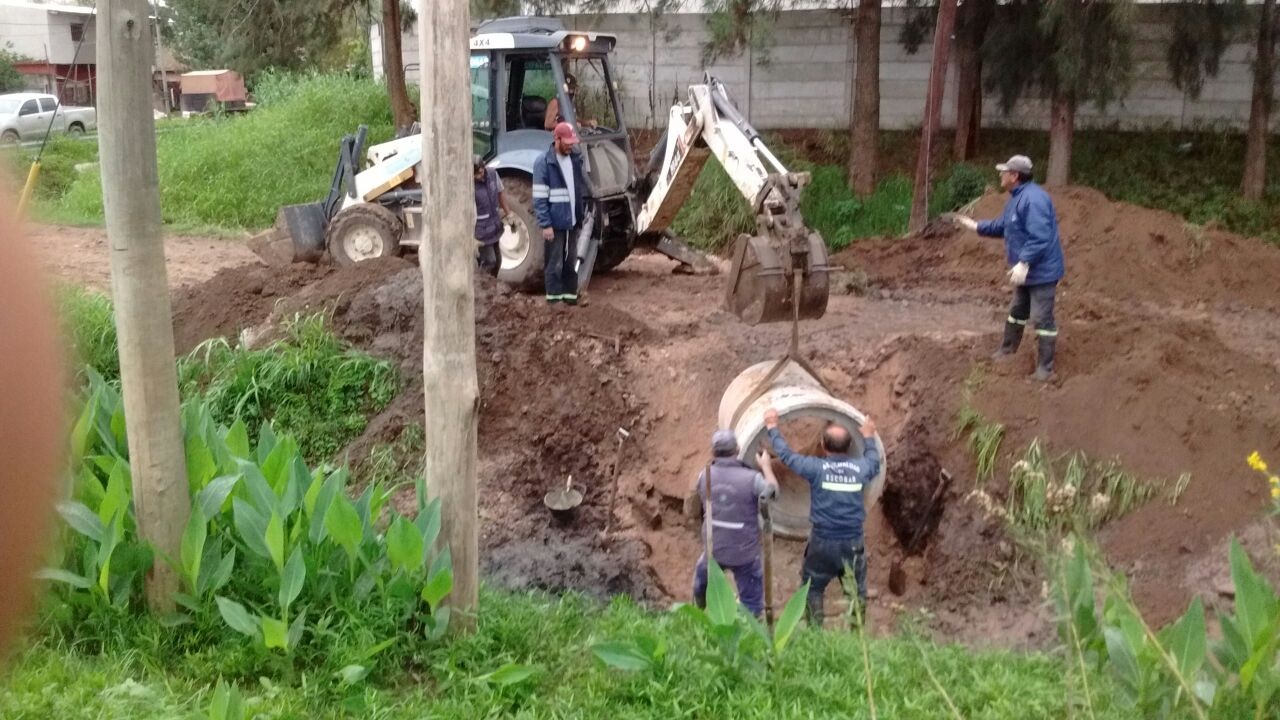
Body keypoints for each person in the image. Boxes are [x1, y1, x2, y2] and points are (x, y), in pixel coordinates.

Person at [950, 154, 1066, 382]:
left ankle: (1045, 369)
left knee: (1042, 319)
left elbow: (1040, 237)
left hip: (1041, 272)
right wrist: (975, 226)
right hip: (1027, 271)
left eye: (1004, 172)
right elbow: (1004, 226)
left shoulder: (1034, 200)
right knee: (1017, 312)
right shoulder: (1016, 198)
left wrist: (1024, 262)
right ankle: (1007, 351)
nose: (1000, 175)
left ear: (1015, 176)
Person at [764, 410, 880, 626]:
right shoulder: (861, 469)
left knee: (814, 587)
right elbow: (874, 461)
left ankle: (815, 633)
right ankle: (857, 636)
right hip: (852, 543)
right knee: (855, 590)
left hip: (822, 542)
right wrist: (869, 436)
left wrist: (772, 427)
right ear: (848, 448)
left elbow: (787, 456)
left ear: (823, 447)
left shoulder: (816, 468)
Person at [684, 430, 779, 617]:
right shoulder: (752, 479)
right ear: (737, 449)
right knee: (751, 600)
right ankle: (749, 624)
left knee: (701, 583)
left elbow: (695, 507)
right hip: (745, 553)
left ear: (713, 452)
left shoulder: (704, 476)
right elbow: (773, 493)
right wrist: (766, 466)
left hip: (714, 548)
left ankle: (699, 615)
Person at [532, 122, 587, 305]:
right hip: (554, 222)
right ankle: (554, 300)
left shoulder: (575, 160)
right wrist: (545, 224)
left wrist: (579, 215)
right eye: (567, 141)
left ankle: (570, 296)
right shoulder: (544, 163)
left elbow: (577, 191)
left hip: (571, 220)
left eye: (573, 141)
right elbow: (540, 198)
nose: (571, 145)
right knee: (554, 262)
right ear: (557, 139)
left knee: (570, 261)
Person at [473, 155, 510, 277]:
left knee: (498, 261)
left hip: (494, 226)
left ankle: (492, 287)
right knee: (489, 262)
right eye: (476, 175)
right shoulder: (468, 186)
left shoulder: (492, 174)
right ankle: (482, 288)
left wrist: (508, 213)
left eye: (481, 171)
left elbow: (500, 193)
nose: (480, 176)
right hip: (480, 232)